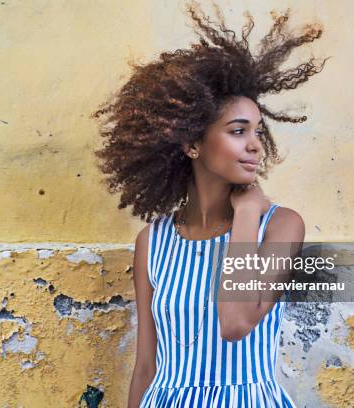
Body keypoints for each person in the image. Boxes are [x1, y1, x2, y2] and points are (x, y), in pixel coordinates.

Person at [91, 1, 327, 406]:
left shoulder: (281, 226)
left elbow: (235, 322)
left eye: (257, 130)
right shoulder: (154, 242)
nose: (255, 144)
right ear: (191, 143)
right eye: (238, 131)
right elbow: (147, 366)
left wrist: (248, 213)